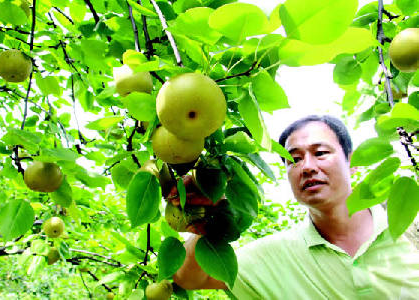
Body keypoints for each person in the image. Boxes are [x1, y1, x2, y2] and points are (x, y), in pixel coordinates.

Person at [170, 115, 419, 299]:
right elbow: (190, 277)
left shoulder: (411, 228)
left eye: (320, 153)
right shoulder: (273, 256)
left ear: (351, 162)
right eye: (294, 159)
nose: (307, 166)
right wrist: (206, 219)